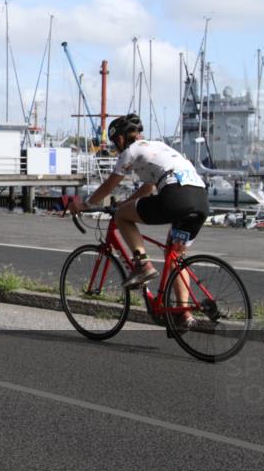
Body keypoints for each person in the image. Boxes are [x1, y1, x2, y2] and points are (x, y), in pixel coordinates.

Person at [70, 114, 209, 327]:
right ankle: (184, 313)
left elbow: (109, 186)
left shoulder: (131, 151)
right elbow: (148, 188)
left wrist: (85, 204)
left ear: (122, 139)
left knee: (121, 217)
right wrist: (126, 203)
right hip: (200, 199)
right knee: (176, 256)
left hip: (175, 195)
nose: (117, 147)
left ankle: (142, 265)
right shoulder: (158, 147)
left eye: (116, 142)